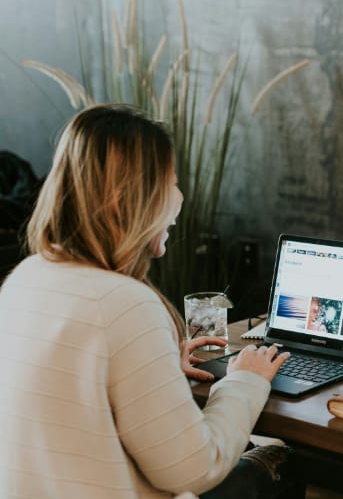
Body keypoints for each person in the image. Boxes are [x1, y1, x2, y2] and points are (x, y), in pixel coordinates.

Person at [0, 105, 302, 498]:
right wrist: (245, 381)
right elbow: (194, 470)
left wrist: (156, 365)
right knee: (282, 463)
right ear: (129, 198)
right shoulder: (126, 304)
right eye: (170, 183)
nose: (179, 197)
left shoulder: (24, 278)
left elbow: (71, 401)